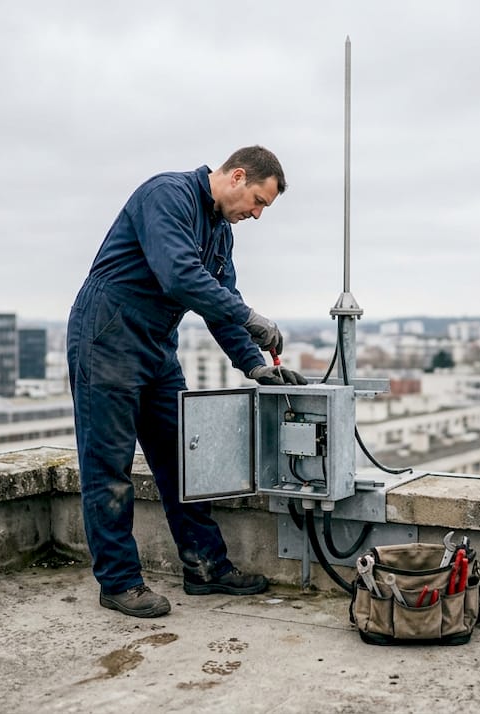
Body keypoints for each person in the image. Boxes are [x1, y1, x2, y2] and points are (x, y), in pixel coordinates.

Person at [67, 146, 307, 618]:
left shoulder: (220, 230)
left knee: (185, 459)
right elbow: (181, 277)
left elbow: (221, 301)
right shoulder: (167, 195)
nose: (256, 215)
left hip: (156, 346)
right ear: (237, 177)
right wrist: (251, 317)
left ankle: (205, 567)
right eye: (258, 201)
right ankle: (118, 582)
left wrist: (254, 365)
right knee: (108, 467)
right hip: (107, 338)